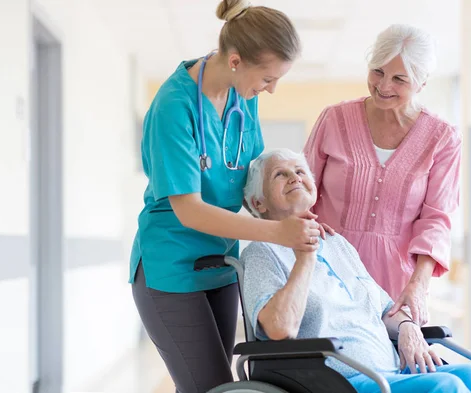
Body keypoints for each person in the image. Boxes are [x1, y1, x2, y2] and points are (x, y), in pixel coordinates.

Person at [128, 2, 333, 392]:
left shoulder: (244, 95)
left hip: (222, 264)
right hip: (170, 266)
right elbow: (188, 210)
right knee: (210, 387)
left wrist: (293, 211)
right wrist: (278, 233)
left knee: (221, 385)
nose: (271, 89)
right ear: (236, 60)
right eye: (268, 78)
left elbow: (252, 180)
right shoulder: (174, 107)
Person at [241, 149, 471, 393]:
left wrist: (408, 327)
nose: (294, 177)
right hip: (339, 381)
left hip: (391, 372)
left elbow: (384, 309)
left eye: (299, 170)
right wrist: (305, 255)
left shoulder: (336, 244)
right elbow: (278, 328)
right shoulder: (262, 252)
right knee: (445, 388)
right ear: (258, 203)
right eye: (280, 174)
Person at [303, 24, 462, 326]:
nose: (383, 85)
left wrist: (419, 284)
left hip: (394, 284)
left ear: (421, 83)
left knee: (393, 364)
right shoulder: (334, 119)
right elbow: (302, 193)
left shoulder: (442, 138)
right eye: (378, 71)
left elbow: (436, 219)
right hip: (325, 270)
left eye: (399, 79)